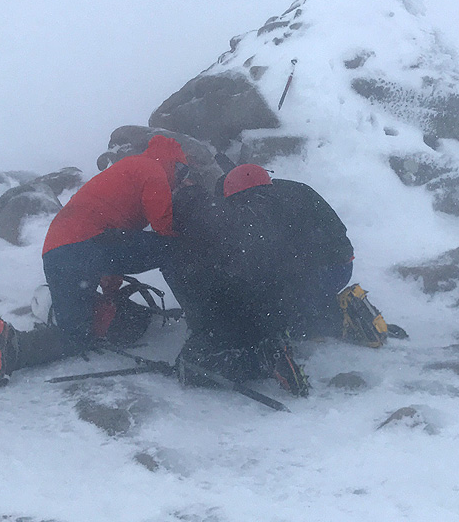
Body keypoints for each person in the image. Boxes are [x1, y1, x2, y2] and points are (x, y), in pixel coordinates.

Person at [162, 164, 384, 396]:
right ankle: (339, 312)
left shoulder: (254, 210)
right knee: (294, 311)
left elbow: (258, 263)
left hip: (310, 276)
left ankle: (270, 351)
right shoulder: (293, 190)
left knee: (267, 310)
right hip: (340, 268)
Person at [0, 134, 189, 386]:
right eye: (182, 169)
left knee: (75, 335)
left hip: (57, 252)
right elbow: (162, 225)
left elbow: (114, 243)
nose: (181, 177)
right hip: (89, 245)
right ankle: (200, 318)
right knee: (177, 248)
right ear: (172, 162)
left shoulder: (126, 171)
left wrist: (111, 289)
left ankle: (13, 348)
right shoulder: (153, 168)